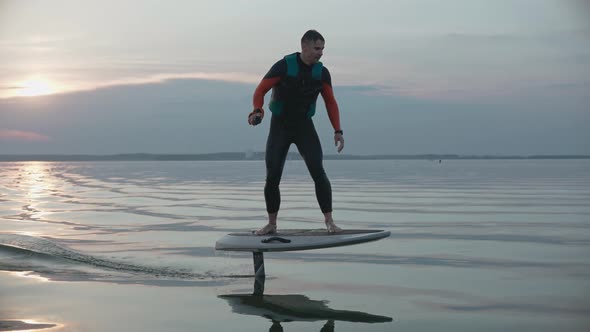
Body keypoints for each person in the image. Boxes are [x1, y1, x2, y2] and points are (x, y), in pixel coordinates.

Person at [248, 30, 344, 235]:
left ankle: (329, 221)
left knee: (318, 171)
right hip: (280, 126)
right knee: (272, 176)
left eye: (323, 49)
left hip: (304, 127)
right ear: (305, 47)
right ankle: (272, 224)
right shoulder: (284, 65)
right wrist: (258, 110)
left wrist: (338, 130)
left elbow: (330, 102)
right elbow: (260, 90)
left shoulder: (322, 73)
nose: (321, 53)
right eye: (317, 48)